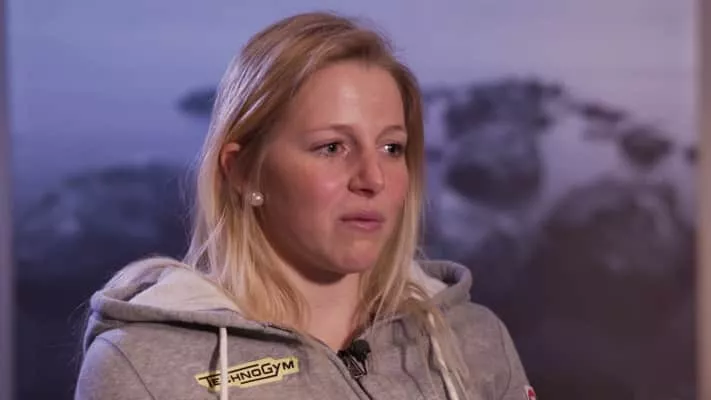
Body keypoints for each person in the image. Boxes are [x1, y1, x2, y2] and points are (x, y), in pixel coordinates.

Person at [75, 11, 533, 400]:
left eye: (391, 148)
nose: (373, 178)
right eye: (332, 147)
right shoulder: (142, 366)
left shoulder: (472, 338)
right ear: (243, 172)